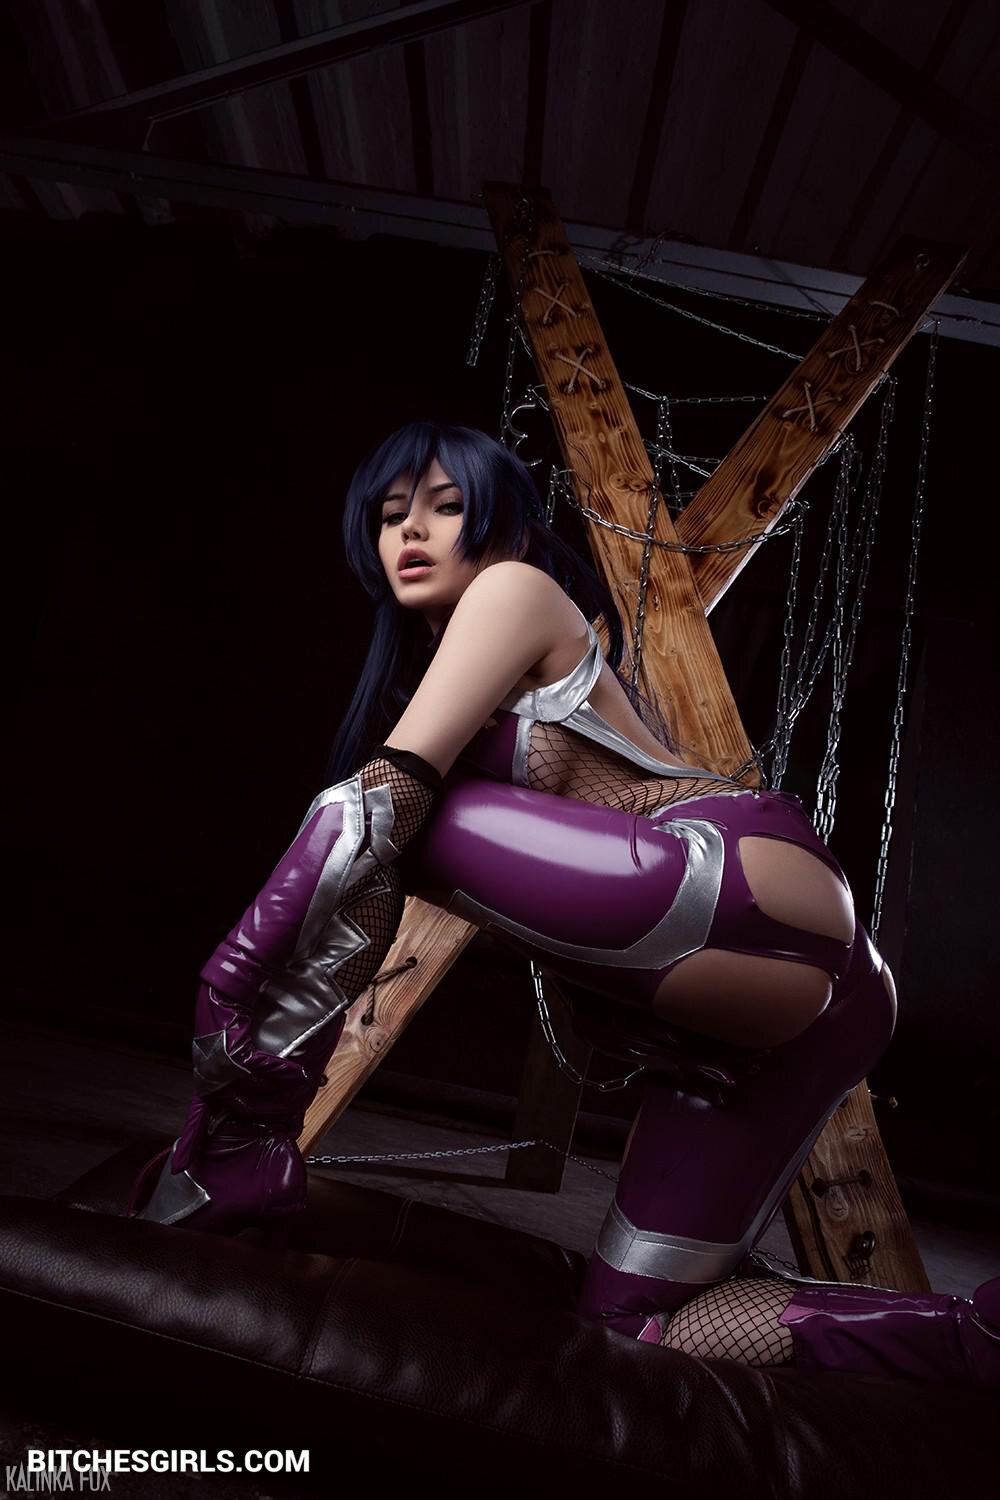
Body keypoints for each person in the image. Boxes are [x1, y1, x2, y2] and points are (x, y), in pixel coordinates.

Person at [127, 421, 999, 1387]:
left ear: (503, 523)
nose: (411, 530)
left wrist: (229, 985)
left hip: (742, 878)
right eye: (389, 514)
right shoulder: (445, 664)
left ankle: (239, 1145)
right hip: (806, 1018)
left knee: (394, 813)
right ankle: (979, 1338)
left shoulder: (514, 588)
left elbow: (384, 803)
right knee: (637, 1326)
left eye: (446, 506)